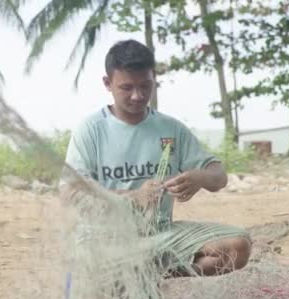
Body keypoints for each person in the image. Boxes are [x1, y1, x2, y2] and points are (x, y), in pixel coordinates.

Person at [62, 39, 251, 277]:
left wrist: (199, 177)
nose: (138, 96)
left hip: (159, 236)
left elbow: (219, 177)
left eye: (146, 86)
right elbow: (70, 194)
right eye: (127, 87)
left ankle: (156, 276)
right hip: (104, 240)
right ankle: (133, 280)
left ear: (154, 81)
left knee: (237, 246)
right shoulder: (91, 130)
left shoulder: (170, 128)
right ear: (108, 83)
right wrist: (133, 197)